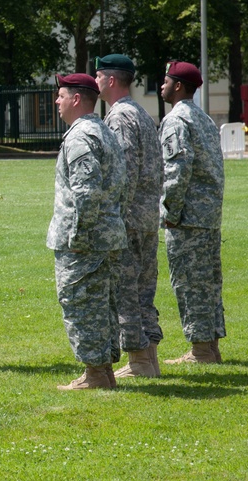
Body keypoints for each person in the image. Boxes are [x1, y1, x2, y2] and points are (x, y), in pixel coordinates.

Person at [47, 73, 127, 390]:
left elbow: (86, 192)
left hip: (85, 239)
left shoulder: (81, 136)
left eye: (61, 95)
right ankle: (102, 371)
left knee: (82, 304)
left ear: (76, 99)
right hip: (106, 234)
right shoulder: (103, 131)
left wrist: (79, 238)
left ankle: (95, 374)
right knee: (101, 304)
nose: (57, 101)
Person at [95, 55, 164, 378]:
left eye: (98, 76)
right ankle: (149, 360)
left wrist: (114, 219)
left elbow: (124, 173)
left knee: (127, 292)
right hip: (147, 216)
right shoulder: (140, 113)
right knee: (144, 291)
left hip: (129, 220)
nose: (95, 82)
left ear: (110, 80)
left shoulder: (120, 117)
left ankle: (138, 361)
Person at [159, 61, 226, 364]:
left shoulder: (176, 120)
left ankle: (200, 352)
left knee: (190, 281)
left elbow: (177, 170)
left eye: (166, 80)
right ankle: (210, 346)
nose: (161, 85)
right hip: (209, 214)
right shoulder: (204, 119)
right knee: (208, 281)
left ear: (179, 86)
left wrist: (170, 210)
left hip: (187, 216)